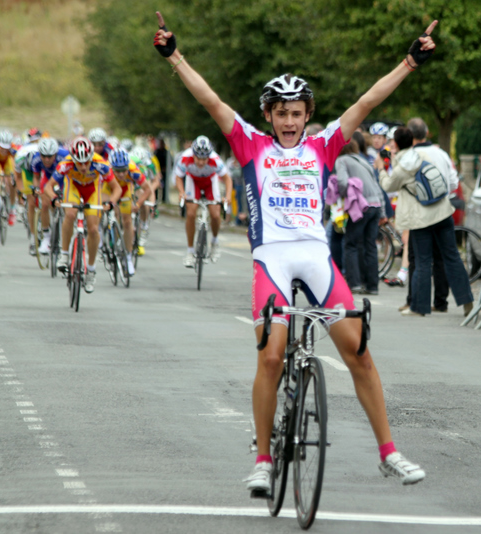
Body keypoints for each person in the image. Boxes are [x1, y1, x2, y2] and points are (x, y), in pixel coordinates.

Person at [153, 11, 432, 490]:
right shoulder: (249, 143)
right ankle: (263, 458)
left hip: (317, 259)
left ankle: (389, 452)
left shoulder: (324, 145)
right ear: (268, 115)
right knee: (270, 356)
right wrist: (174, 55)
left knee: (359, 353)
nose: (288, 121)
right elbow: (210, 100)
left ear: (307, 114)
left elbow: (367, 100)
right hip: (273, 261)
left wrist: (409, 62)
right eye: (280, 113)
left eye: (296, 113)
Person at [379, 126, 474, 317]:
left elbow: (388, 185)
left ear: (396, 144)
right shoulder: (426, 155)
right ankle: (466, 300)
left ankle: (419, 307)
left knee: (422, 261)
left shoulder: (403, 165)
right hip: (442, 210)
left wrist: (382, 168)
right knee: (452, 256)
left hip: (421, 217)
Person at [50, 136, 122, 293]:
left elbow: (117, 189)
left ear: (91, 157)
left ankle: (90, 270)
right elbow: (49, 186)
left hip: (92, 191)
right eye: (79, 163)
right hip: (73, 189)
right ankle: (64, 254)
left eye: (86, 162)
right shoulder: (66, 164)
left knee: (94, 229)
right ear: (73, 159)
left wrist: (111, 203)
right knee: (70, 215)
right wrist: (54, 198)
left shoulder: (100, 163)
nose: (83, 166)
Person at [333, 130, 385, 294]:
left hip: (361, 207)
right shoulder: (363, 161)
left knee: (351, 244)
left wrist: (342, 196)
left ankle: (354, 283)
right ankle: (373, 286)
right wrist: (383, 212)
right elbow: (377, 186)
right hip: (376, 206)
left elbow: (341, 181)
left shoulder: (342, 160)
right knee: (370, 246)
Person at [174, 136, 232, 267]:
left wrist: (227, 196)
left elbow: (227, 179)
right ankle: (190, 252)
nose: (201, 162)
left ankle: (215, 242)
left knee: (216, 214)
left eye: (204, 159)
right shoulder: (185, 158)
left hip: (210, 182)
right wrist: (181, 192)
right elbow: (178, 177)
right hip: (193, 181)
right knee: (191, 213)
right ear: (193, 154)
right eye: (198, 158)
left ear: (209, 156)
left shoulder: (215, 159)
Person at [109, 148, 154, 276]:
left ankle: (128, 257)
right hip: (110, 189)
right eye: (118, 171)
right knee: (114, 213)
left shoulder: (134, 170)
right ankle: (108, 235)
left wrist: (138, 204)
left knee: (127, 221)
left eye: (124, 170)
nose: (122, 174)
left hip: (126, 190)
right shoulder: (106, 170)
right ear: (112, 168)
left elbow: (148, 190)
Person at [29, 138, 70, 254]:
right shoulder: (36, 158)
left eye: (50, 156)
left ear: (56, 154)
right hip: (47, 179)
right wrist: (36, 188)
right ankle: (46, 238)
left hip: (64, 179)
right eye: (44, 156)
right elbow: (36, 177)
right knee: (45, 203)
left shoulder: (65, 156)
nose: (47, 160)